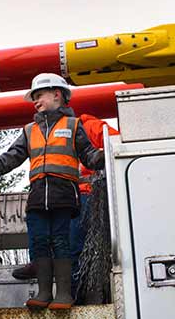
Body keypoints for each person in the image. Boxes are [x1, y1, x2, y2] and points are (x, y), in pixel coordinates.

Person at [0, 73, 104, 310]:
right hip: (37, 195)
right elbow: (9, 159)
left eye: (39, 95)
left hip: (64, 194)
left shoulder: (74, 125)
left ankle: (64, 295)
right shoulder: (29, 130)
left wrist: (101, 155)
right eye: (34, 97)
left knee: (61, 241)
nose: (35, 101)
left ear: (57, 94)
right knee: (38, 241)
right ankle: (44, 292)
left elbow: (89, 155)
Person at [69, 114, 119, 302]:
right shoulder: (60, 134)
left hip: (88, 194)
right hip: (68, 198)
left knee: (75, 248)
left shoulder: (91, 127)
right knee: (68, 249)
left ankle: (79, 297)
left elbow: (116, 144)